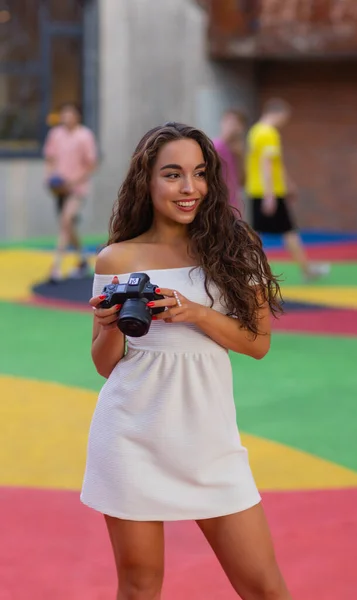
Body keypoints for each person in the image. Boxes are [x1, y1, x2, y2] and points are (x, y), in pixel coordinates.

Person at [81, 121, 293, 600]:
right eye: (172, 174)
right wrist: (112, 323)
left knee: (265, 587)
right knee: (139, 587)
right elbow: (103, 363)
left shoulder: (237, 249)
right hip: (132, 434)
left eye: (199, 173)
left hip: (210, 441)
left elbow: (257, 342)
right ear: (147, 180)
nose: (189, 188)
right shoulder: (117, 259)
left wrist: (195, 312)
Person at [246, 98, 330, 281]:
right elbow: (266, 164)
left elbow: (274, 164)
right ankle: (306, 270)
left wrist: (289, 184)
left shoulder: (255, 131)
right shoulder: (269, 134)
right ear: (278, 114)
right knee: (286, 231)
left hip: (258, 189)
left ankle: (250, 271)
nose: (284, 122)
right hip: (269, 191)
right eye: (285, 117)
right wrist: (270, 195)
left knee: (258, 233)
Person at [43, 102, 98, 282]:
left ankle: (55, 267)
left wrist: (72, 182)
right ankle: (82, 261)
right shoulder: (55, 134)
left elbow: (91, 165)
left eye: (70, 113)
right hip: (59, 188)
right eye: (64, 113)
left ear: (77, 116)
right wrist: (50, 178)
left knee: (66, 220)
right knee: (68, 225)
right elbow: (50, 159)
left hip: (77, 189)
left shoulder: (85, 136)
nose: (66, 116)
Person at [213, 109, 247, 217]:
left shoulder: (237, 150)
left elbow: (242, 181)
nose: (231, 127)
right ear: (222, 123)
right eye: (228, 122)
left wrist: (240, 157)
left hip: (233, 204)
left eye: (236, 124)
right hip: (217, 203)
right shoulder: (215, 146)